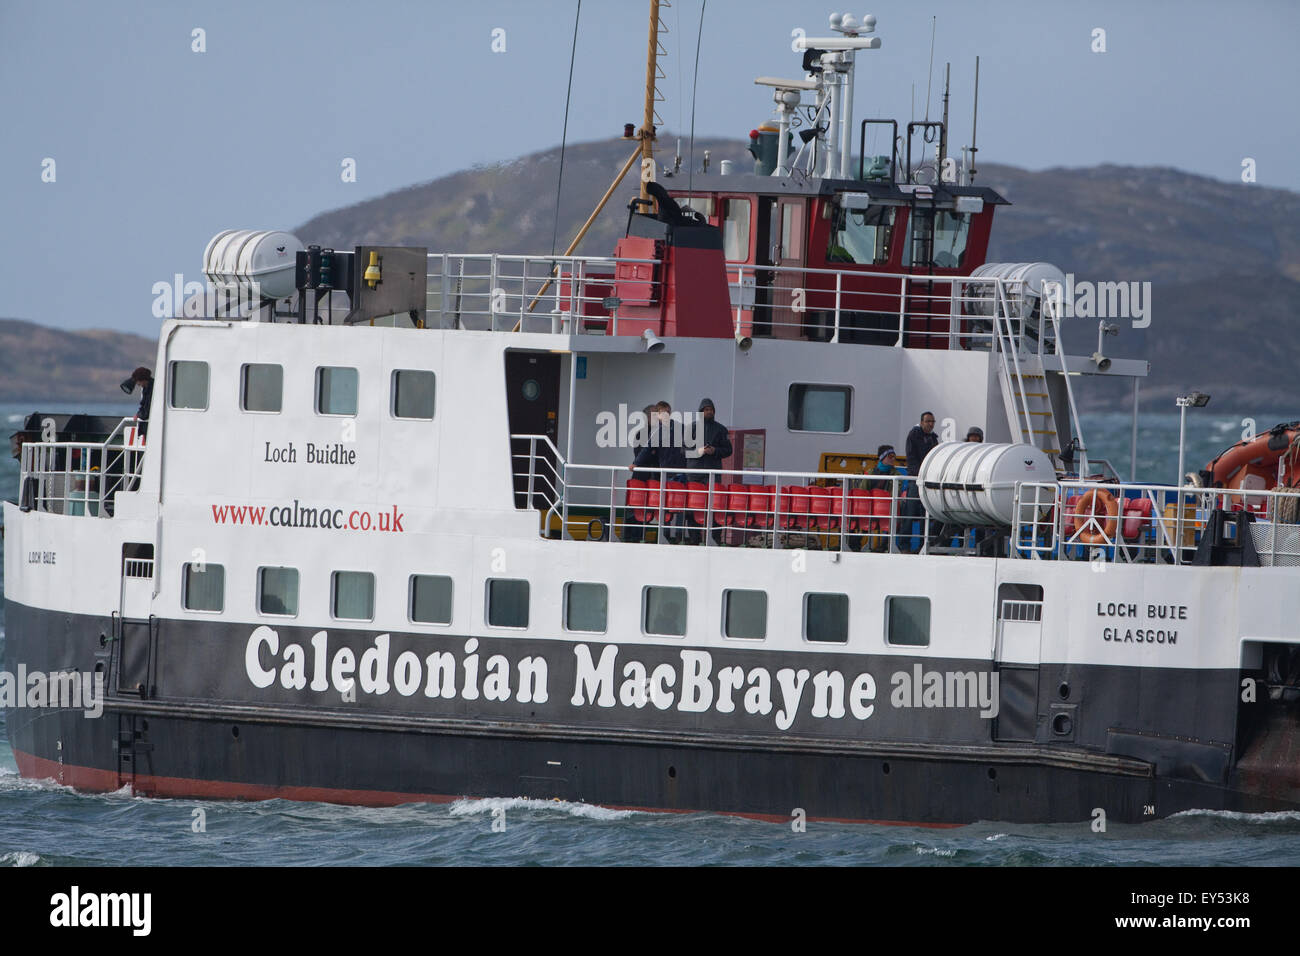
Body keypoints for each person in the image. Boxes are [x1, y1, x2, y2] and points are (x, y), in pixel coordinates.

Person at [630, 402, 689, 541]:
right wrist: (635, 463)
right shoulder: (657, 431)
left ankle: (679, 535)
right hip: (665, 474)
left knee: (680, 505)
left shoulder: (680, 428)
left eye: (667, 412)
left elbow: (690, 446)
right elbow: (646, 449)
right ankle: (666, 534)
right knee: (666, 506)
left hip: (680, 472)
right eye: (662, 413)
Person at [851, 445, 905, 551]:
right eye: (890, 456)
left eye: (894, 456)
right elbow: (862, 491)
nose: (893, 459)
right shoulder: (871, 472)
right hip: (869, 508)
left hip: (887, 508)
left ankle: (884, 545)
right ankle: (854, 543)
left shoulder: (896, 474)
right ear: (882, 457)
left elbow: (895, 493)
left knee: (899, 514)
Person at [903, 411, 940, 550]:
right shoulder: (914, 435)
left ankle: (922, 545)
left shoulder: (932, 438)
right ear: (922, 422)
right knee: (910, 513)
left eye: (932, 421)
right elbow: (912, 457)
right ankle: (905, 545)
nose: (931, 424)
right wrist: (920, 473)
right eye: (928, 421)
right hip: (916, 479)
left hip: (926, 480)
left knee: (926, 516)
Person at [122, 367, 154, 436]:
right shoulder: (147, 388)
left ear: (143, 380)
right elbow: (144, 406)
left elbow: (147, 411)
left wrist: (138, 415)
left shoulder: (152, 390)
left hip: (151, 428)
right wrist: (139, 414)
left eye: (138, 381)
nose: (138, 384)